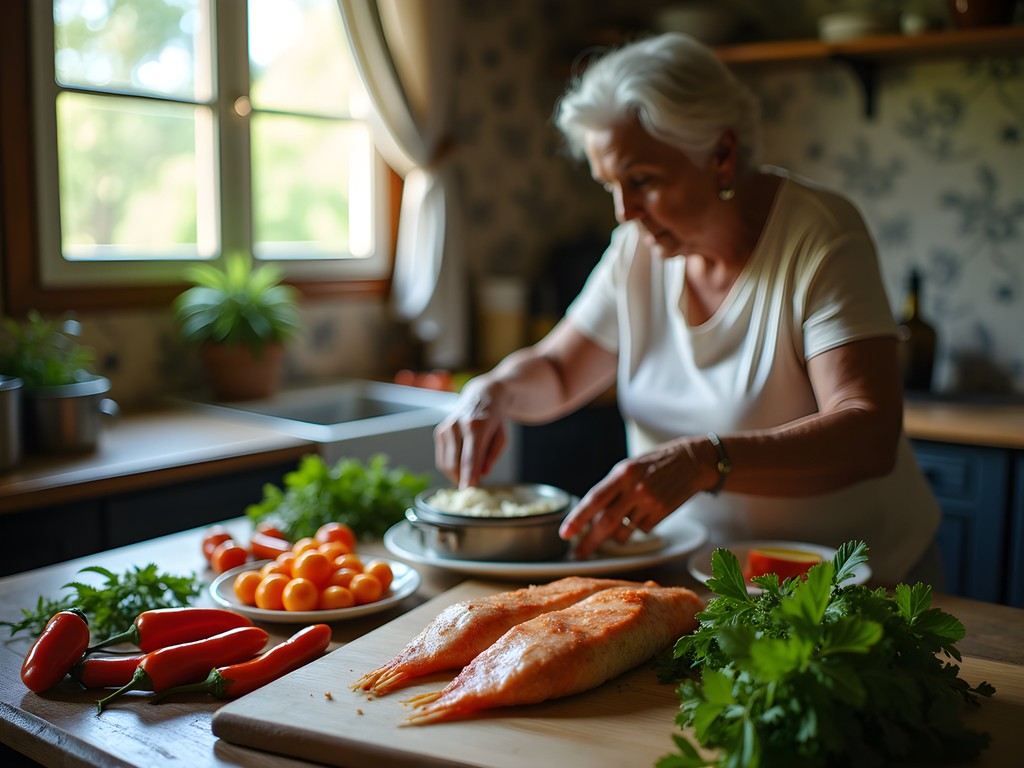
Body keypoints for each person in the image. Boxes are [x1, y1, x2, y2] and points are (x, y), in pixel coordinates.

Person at [434, 32, 941, 586]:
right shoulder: (638, 250)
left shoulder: (819, 236)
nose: (625, 211)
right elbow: (557, 371)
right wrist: (491, 391)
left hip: (853, 581)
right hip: (707, 580)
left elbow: (867, 431)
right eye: (610, 185)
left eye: (643, 181)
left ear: (721, 155)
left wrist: (705, 461)